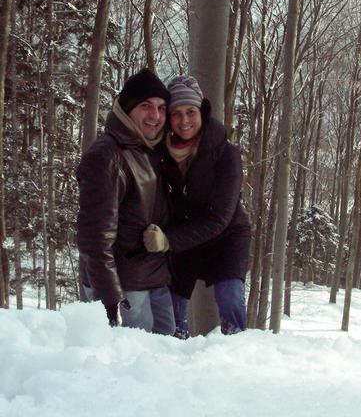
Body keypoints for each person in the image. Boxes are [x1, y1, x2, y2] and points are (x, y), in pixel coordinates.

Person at [143, 76, 251, 337]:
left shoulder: (227, 154)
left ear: (202, 111)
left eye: (191, 112)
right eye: (176, 114)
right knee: (173, 306)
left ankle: (237, 352)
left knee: (230, 297)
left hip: (226, 236)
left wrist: (169, 240)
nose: (184, 121)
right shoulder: (159, 154)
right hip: (183, 241)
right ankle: (172, 353)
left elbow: (220, 218)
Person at [77, 68, 175, 335]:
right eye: (146, 106)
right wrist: (110, 299)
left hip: (155, 281)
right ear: (127, 108)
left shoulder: (150, 150)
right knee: (132, 370)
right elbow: (94, 238)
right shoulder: (107, 156)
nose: (155, 116)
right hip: (125, 288)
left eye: (161, 107)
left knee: (166, 363)